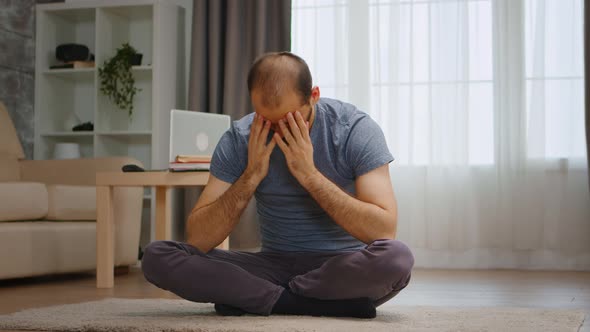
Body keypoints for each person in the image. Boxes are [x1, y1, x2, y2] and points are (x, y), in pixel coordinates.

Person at [142, 52, 414, 319]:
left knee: (397, 259)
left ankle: (257, 297)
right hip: (271, 265)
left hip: (340, 267)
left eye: (291, 121)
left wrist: (309, 175)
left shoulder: (354, 130)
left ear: (314, 96)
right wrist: (251, 176)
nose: (280, 133)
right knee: (158, 256)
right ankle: (310, 303)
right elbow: (199, 239)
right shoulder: (241, 137)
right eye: (268, 123)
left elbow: (383, 229)